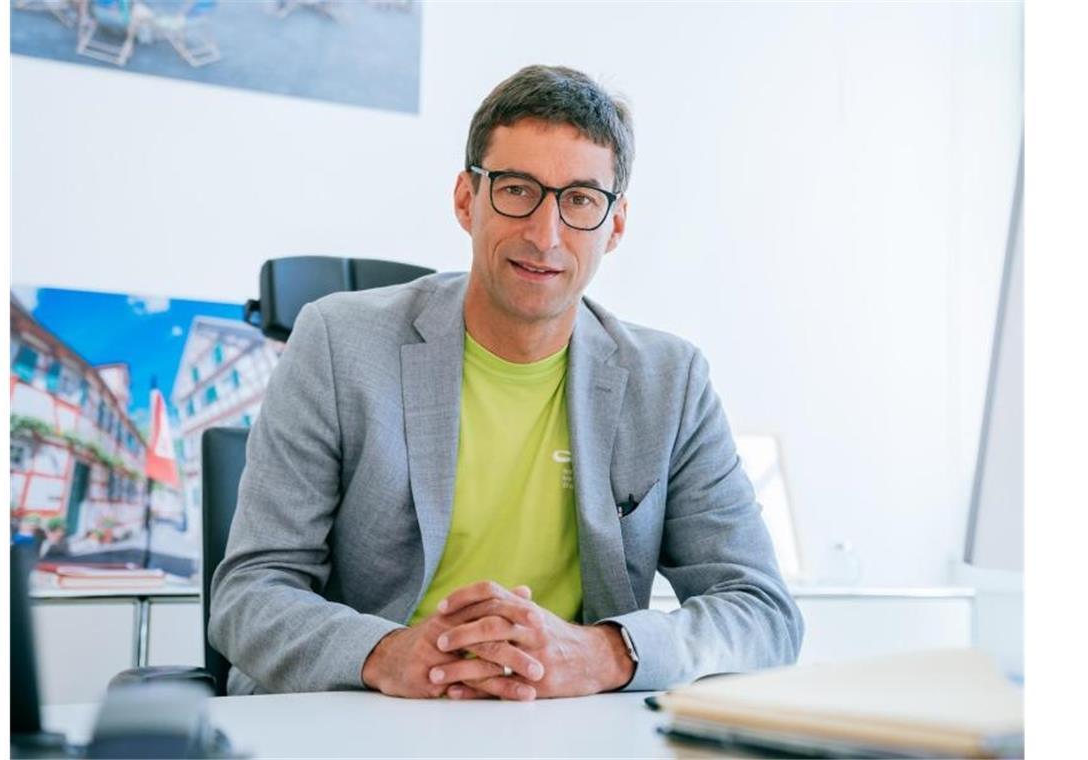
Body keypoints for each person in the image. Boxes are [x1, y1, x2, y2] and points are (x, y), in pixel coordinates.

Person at [209, 64, 803, 700]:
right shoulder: (337, 343)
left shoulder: (669, 383)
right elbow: (251, 593)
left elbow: (763, 612)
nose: (545, 236)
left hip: (567, 724)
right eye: (517, 190)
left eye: (580, 200)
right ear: (467, 199)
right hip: (366, 710)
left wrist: (606, 652)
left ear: (617, 224)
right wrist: (388, 655)